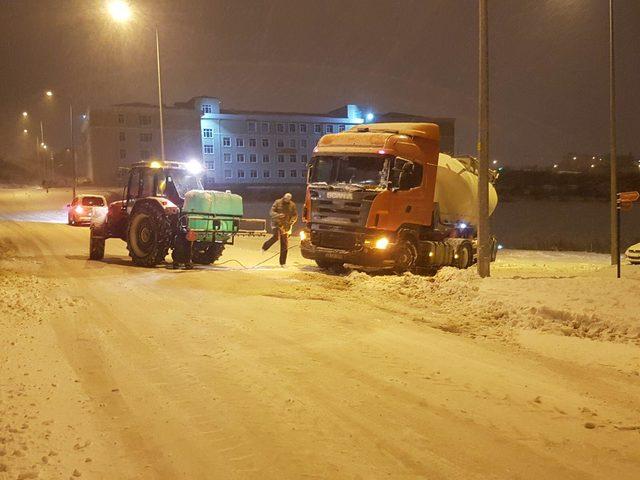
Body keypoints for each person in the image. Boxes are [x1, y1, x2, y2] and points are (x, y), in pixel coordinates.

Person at [262, 193, 298, 266]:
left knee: (284, 244)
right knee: (276, 237)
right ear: (283, 197)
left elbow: (295, 215)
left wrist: (291, 222)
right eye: (285, 199)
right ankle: (264, 247)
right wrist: (278, 215)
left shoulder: (292, 205)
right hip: (276, 224)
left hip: (286, 226)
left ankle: (282, 263)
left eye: (288, 200)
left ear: (290, 200)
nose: (286, 201)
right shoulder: (277, 202)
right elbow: (271, 212)